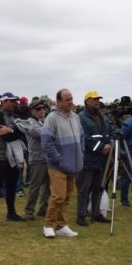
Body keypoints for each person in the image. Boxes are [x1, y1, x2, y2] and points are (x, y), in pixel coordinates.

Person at [41, 89, 84, 238]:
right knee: (58, 196)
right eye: (67, 99)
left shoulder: (76, 117)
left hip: (73, 164)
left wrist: (81, 154)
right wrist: (59, 159)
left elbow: (82, 138)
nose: (70, 101)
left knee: (67, 196)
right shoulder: (51, 118)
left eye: (71, 98)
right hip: (57, 165)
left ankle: (61, 225)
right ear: (58, 102)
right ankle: (48, 225)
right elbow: (46, 143)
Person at [0, 92, 26, 225]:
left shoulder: (15, 116)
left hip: (12, 157)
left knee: (12, 186)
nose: (15, 103)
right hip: (0, 157)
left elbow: (22, 132)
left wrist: (12, 130)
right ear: (3, 102)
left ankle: (11, 212)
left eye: (15, 101)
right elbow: (6, 137)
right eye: (11, 101)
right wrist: (14, 132)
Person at [76, 90, 113, 226]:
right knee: (84, 189)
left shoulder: (101, 116)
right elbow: (84, 137)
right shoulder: (80, 117)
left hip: (102, 159)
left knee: (99, 187)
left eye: (98, 99)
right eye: (94, 99)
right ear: (87, 101)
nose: (97, 101)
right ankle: (81, 215)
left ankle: (96, 213)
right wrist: (101, 147)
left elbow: (108, 131)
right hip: (88, 159)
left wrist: (109, 143)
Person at [17, 99, 50, 221]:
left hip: (47, 159)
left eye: (43, 108)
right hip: (37, 159)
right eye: (38, 109)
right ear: (32, 111)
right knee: (35, 187)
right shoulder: (31, 123)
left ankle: (43, 209)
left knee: (48, 187)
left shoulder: (43, 122)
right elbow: (42, 134)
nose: (42, 111)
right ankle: (29, 211)